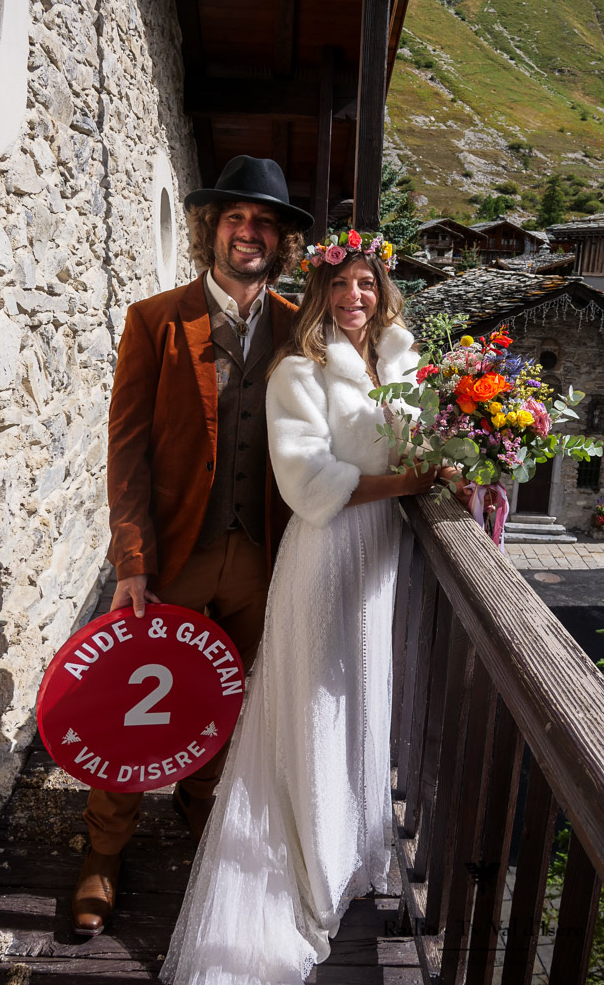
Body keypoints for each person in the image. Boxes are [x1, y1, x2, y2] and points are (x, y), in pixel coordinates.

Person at [160, 232, 438, 985]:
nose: (354, 297)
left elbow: (420, 442)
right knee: (319, 700)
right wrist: (408, 484)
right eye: (341, 284)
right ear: (320, 292)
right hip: (328, 547)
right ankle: (312, 861)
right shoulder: (298, 370)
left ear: (383, 291)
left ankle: (350, 845)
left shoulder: (403, 362)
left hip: (381, 553)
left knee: (361, 696)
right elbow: (308, 484)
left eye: (366, 283)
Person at [71, 156, 313, 937]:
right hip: (177, 552)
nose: (250, 231)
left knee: (229, 696)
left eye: (265, 221)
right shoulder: (155, 319)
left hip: (264, 557)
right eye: (237, 217)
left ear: (280, 240)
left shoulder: (297, 326)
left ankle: (201, 800)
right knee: (131, 702)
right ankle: (104, 849)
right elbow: (127, 450)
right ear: (212, 228)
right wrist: (132, 560)